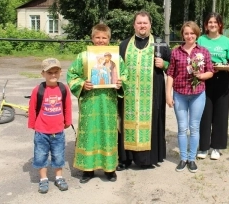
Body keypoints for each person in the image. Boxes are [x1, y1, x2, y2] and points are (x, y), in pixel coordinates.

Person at [67, 24, 127, 183]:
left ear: (109, 39)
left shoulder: (117, 58)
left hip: (108, 102)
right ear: (92, 38)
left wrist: (121, 83)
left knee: (108, 133)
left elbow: (125, 75)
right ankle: (88, 169)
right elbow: (72, 74)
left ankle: (109, 169)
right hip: (89, 102)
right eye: (97, 37)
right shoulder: (83, 57)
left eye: (104, 37)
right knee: (90, 134)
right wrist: (81, 84)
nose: (101, 40)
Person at [117, 11, 171, 169]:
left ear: (150, 25)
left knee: (151, 122)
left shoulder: (159, 43)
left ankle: (147, 159)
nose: (142, 26)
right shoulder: (124, 45)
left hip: (152, 94)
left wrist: (165, 65)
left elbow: (173, 67)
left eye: (145, 23)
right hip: (129, 95)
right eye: (139, 23)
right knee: (127, 124)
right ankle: (125, 159)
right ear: (134, 25)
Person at [166, 21, 214, 173]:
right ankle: (183, 158)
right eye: (186, 33)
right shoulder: (176, 52)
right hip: (179, 94)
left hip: (197, 94)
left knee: (194, 127)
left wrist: (200, 75)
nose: (189, 36)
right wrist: (168, 94)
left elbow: (210, 71)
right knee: (182, 128)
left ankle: (192, 159)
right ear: (183, 35)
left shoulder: (203, 51)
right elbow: (170, 74)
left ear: (196, 34)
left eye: (192, 33)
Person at [28, 58, 72, 194]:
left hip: (58, 131)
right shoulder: (38, 90)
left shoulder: (64, 89)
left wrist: (67, 122)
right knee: (40, 155)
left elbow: (67, 107)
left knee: (59, 155)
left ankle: (59, 177)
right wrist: (33, 125)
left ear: (60, 72)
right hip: (41, 131)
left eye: (56, 72)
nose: (53, 75)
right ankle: (43, 179)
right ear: (43, 74)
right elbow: (32, 108)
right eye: (49, 72)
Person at [196, 12, 229, 160]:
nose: (212, 25)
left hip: (222, 78)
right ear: (206, 25)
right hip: (205, 78)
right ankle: (204, 146)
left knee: (221, 113)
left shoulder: (226, 41)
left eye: (215, 22)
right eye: (209, 22)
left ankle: (216, 147)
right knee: (204, 113)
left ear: (220, 25)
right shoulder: (201, 39)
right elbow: (195, 59)